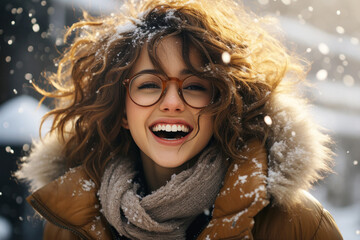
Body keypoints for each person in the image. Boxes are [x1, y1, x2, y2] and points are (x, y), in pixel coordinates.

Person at [15, 0, 343, 239]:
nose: (172, 102)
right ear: (122, 112)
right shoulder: (69, 226)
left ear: (221, 105)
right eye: (148, 85)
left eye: (196, 86)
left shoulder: (299, 226)